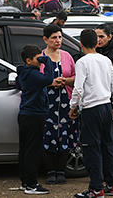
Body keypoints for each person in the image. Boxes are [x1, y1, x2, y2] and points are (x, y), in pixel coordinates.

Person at [69, 29, 113, 198]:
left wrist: (73, 106)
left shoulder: (82, 62)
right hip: (106, 106)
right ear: (97, 43)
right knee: (107, 145)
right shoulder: (106, 60)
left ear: (81, 44)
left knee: (92, 148)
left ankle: (96, 188)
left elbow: (78, 88)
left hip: (91, 109)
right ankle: (112, 183)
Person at [41, 24, 77, 185]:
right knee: (47, 135)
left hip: (66, 103)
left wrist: (67, 81)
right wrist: (50, 83)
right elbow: (35, 79)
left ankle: (61, 171)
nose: (58, 40)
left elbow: (77, 76)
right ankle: (50, 171)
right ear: (45, 39)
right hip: (47, 105)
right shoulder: (40, 57)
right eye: (54, 37)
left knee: (65, 135)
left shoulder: (67, 56)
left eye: (60, 37)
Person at [16, 44, 55, 195]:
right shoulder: (32, 74)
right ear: (28, 60)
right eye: (37, 58)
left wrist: (41, 61)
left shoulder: (24, 73)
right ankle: (31, 184)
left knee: (25, 149)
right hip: (34, 115)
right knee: (33, 151)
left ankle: (25, 181)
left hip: (25, 114)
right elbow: (49, 79)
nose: (40, 61)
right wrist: (48, 62)